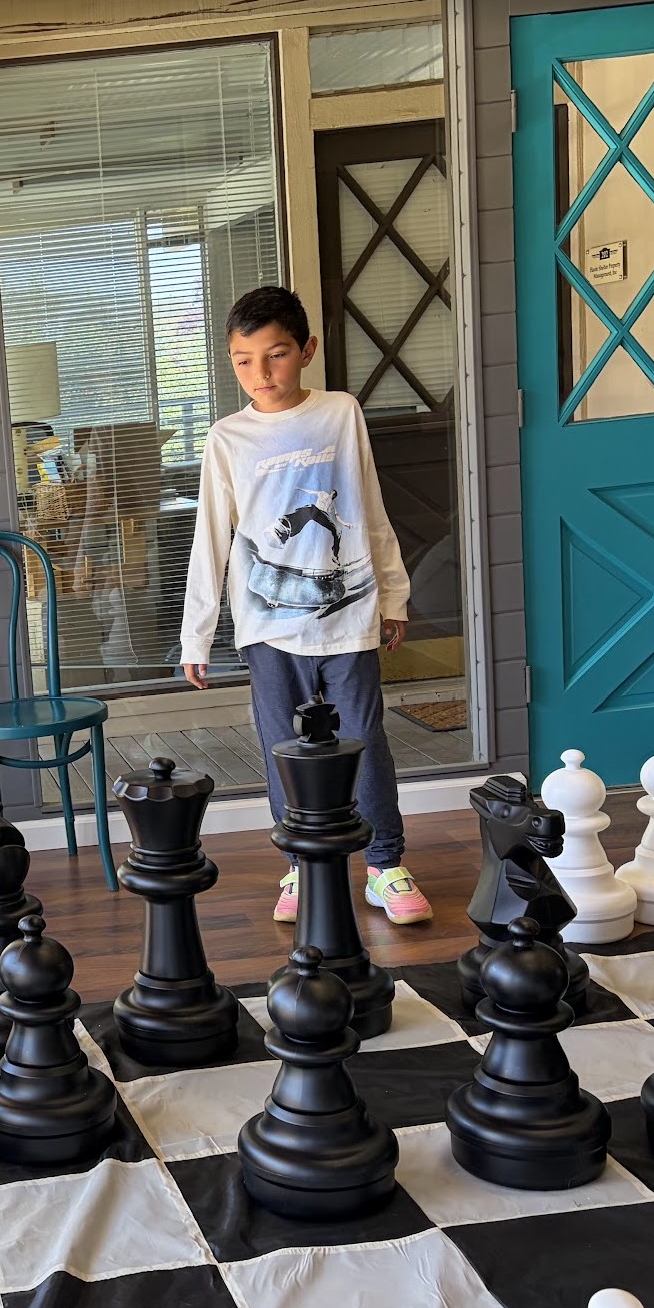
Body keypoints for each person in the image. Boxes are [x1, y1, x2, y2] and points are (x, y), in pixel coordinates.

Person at [178, 286, 433, 927]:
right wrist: (197, 636)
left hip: (348, 614)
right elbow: (211, 536)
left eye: (276, 355)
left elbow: (368, 507)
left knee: (363, 741)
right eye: (242, 360)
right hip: (267, 623)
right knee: (282, 746)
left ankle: (385, 865)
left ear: (306, 351)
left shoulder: (340, 413)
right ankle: (301, 864)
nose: (260, 374)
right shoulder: (227, 438)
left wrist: (394, 593)